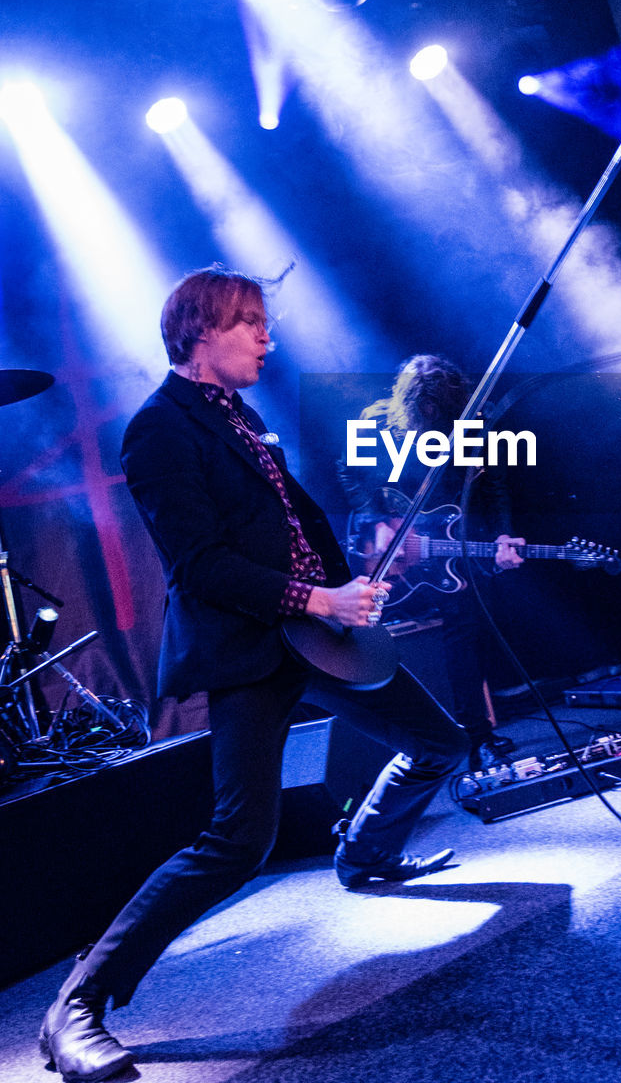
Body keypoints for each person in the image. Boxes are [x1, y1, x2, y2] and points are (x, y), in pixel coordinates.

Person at [40, 267, 467, 1083]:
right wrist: (319, 595)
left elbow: (284, 527)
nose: (268, 338)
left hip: (317, 631)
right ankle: (79, 1005)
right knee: (239, 839)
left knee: (438, 743)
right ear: (201, 330)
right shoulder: (159, 430)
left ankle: (366, 851)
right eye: (251, 324)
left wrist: (347, 592)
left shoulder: (240, 416)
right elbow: (200, 567)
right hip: (253, 648)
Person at [339, 354, 525, 773]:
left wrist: (502, 535)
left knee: (467, 629)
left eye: (437, 415)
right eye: (420, 413)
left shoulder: (474, 422)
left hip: (448, 544)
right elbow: (349, 473)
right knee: (375, 637)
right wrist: (376, 520)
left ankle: (477, 737)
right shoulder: (376, 420)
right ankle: (397, 745)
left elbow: (494, 485)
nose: (428, 420)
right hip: (394, 550)